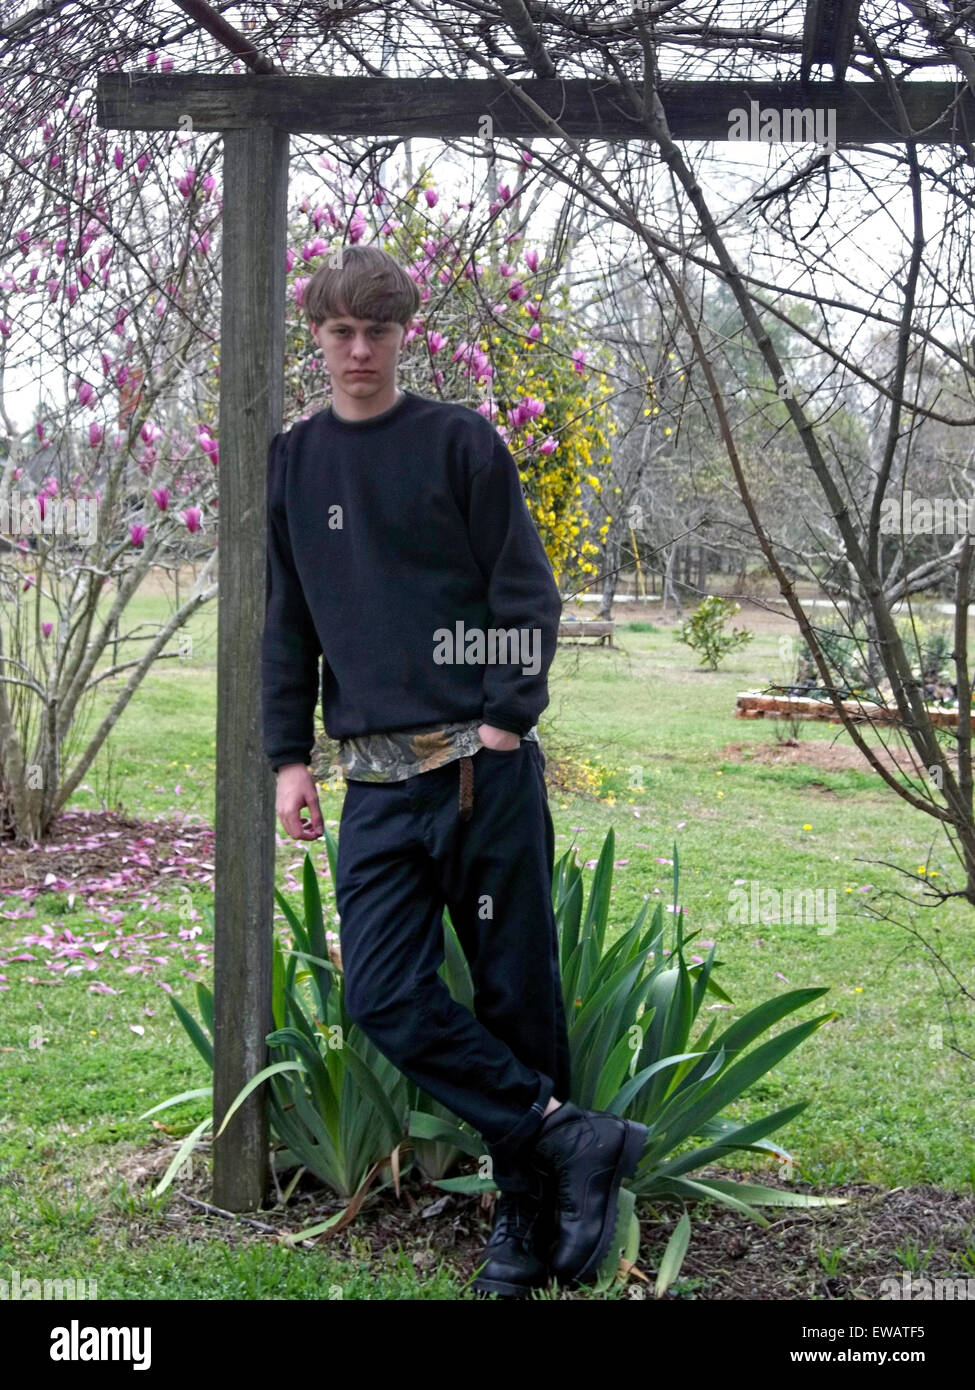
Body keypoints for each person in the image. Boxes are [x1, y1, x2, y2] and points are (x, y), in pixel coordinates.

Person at [261, 243, 646, 1297]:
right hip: (375, 786)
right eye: (339, 331)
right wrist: (288, 755)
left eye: (376, 331)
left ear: (402, 336)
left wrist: (506, 724)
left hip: (480, 774)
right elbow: (287, 618)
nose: (357, 350)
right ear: (319, 338)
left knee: (516, 993)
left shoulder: (459, 442)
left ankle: (525, 1226)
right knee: (385, 994)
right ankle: (571, 1138)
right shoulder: (294, 460)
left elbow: (527, 593)